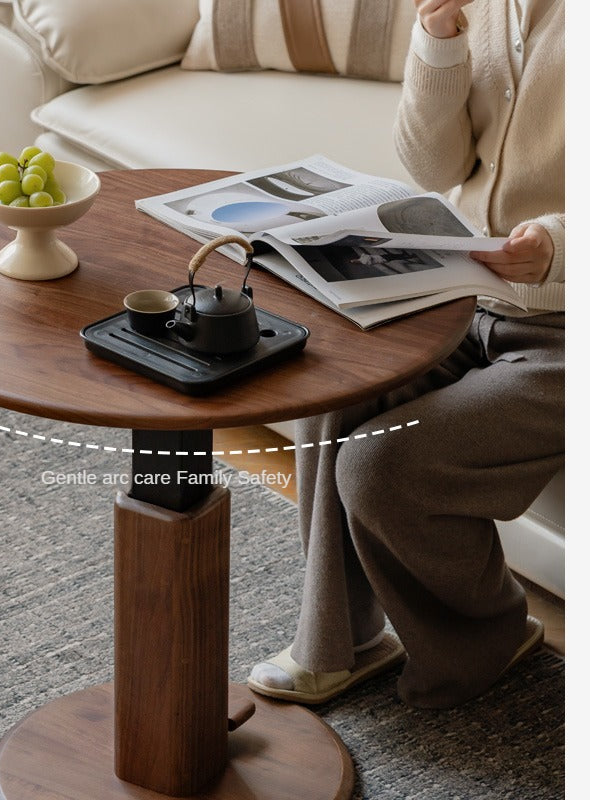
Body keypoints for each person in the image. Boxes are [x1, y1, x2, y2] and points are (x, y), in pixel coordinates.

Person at [248, 0, 564, 709]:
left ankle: (489, 638)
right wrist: (440, 40)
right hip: (470, 294)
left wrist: (556, 246)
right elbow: (435, 165)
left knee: (383, 465)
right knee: (334, 378)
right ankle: (342, 642)